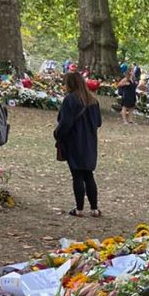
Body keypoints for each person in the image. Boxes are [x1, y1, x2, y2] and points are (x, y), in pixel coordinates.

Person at [55, 71, 103, 218]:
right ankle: (94, 208)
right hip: (89, 141)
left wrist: (57, 134)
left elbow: (65, 123)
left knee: (77, 175)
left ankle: (79, 208)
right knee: (88, 174)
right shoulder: (93, 101)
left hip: (74, 140)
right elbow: (98, 122)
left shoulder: (70, 100)